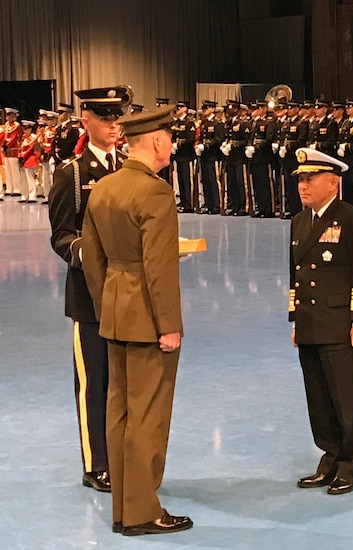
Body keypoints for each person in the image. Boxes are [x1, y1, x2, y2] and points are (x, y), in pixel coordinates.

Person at [82, 104, 192, 535]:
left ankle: (124, 509)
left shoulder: (104, 187)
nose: (171, 145)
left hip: (113, 313)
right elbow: (159, 267)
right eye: (169, 138)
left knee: (120, 414)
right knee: (148, 417)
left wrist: (105, 304)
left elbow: (93, 258)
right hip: (148, 318)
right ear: (159, 142)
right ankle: (143, 512)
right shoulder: (155, 192)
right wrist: (169, 324)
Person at [48, 86, 132, 494]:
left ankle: (124, 457)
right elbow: (61, 236)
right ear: (86, 121)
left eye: (117, 117)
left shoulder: (133, 168)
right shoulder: (73, 174)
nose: (113, 125)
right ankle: (96, 463)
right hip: (91, 297)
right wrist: (90, 252)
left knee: (128, 382)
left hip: (132, 294)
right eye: (104, 118)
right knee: (94, 381)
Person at [289, 147, 353, 495]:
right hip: (311, 323)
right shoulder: (299, 221)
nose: (303, 186)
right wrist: (295, 319)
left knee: (347, 399)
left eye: (310, 179)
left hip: (341, 323)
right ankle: (330, 456)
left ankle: (352, 465)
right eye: (300, 180)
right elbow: (295, 274)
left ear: (333, 183)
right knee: (320, 399)